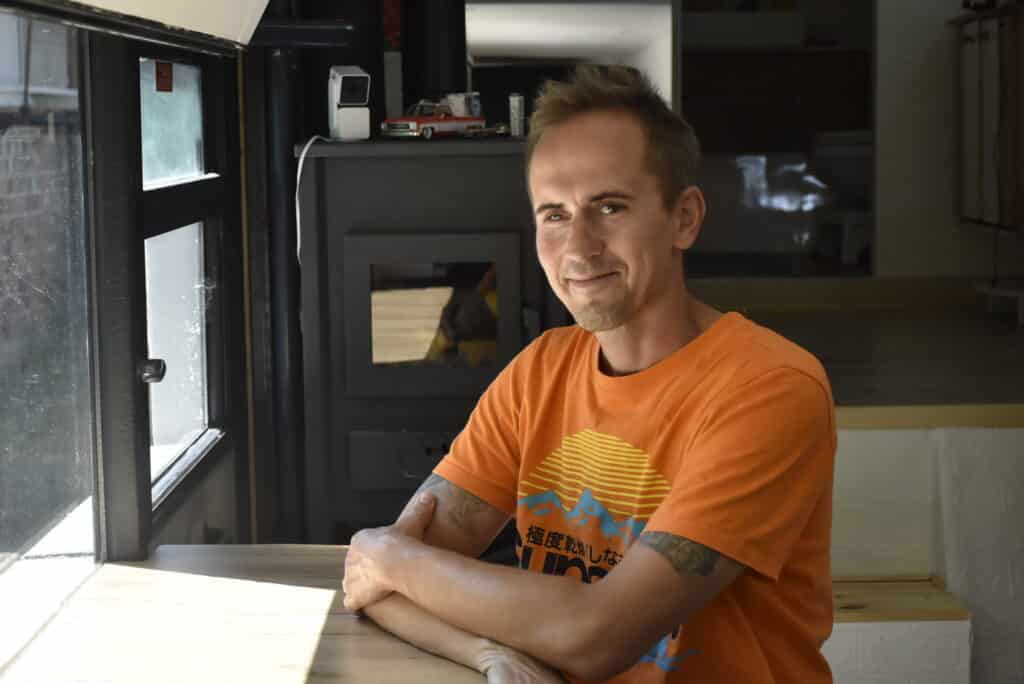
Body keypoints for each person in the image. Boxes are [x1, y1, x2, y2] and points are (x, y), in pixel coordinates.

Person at [343, 65, 837, 683]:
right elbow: (376, 587)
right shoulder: (540, 371)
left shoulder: (769, 387)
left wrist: (390, 556)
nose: (579, 248)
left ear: (684, 218)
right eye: (554, 215)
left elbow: (598, 635)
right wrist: (488, 654)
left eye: (609, 207)